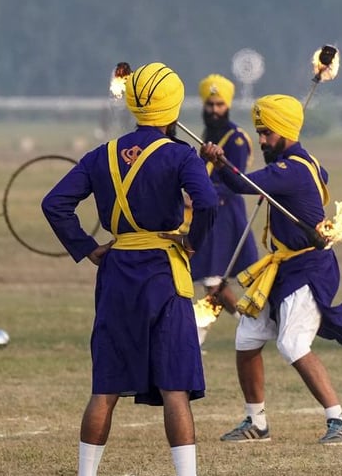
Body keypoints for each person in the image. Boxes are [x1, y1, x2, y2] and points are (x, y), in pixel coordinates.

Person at [42, 62, 217, 476]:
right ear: (173, 107)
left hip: (117, 272)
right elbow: (207, 203)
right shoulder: (180, 155)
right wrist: (193, 241)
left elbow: (54, 203)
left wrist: (86, 247)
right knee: (175, 386)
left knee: (105, 387)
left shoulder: (99, 154)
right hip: (164, 274)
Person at [199, 94, 342, 445]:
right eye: (259, 132)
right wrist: (273, 185)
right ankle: (256, 422)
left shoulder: (293, 170)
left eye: (268, 133)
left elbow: (240, 184)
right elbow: (317, 174)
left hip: (308, 268)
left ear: (286, 131)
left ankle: (340, 422)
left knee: (292, 344)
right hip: (281, 267)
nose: (262, 140)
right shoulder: (301, 163)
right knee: (246, 338)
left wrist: (220, 162)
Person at [190, 74, 259, 345]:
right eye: (210, 104)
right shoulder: (207, 135)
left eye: (219, 104)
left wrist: (199, 195)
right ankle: (237, 325)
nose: (215, 110)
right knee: (212, 281)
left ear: (227, 105)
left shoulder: (237, 139)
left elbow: (235, 180)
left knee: (213, 280)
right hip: (206, 213)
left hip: (225, 215)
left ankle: (244, 324)